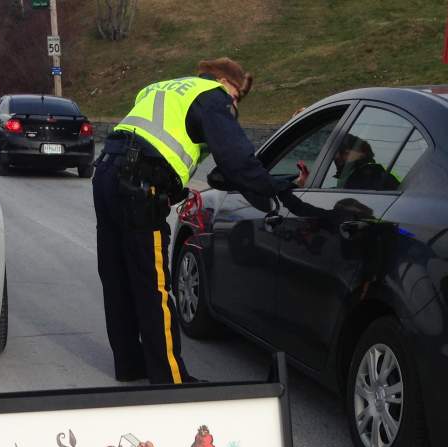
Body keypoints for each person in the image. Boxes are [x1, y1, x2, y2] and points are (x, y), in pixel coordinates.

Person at [93, 57, 301, 385]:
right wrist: (273, 187)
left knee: (117, 276)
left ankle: (130, 366)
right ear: (225, 82)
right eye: (237, 96)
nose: (235, 105)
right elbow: (237, 160)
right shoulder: (213, 97)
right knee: (153, 286)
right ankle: (170, 380)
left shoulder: (163, 88)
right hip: (138, 186)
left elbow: (167, 144)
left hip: (105, 172)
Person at [332, 135, 399, 191]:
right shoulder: (349, 175)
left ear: (363, 153)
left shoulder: (368, 177)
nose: (338, 157)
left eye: (346, 152)